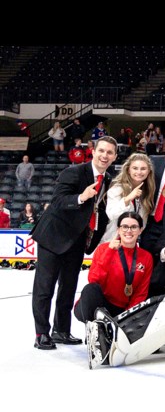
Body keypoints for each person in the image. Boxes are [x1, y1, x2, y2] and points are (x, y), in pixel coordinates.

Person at [31, 136, 118, 350]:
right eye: (102, 151)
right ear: (93, 151)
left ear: (115, 156)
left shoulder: (110, 180)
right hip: (53, 236)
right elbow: (59, 201)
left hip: (77, 239)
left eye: (110, 153)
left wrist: (94, 240)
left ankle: (61, 330)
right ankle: (41, 333)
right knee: (45, 288)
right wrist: (81, 196)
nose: (105, 156)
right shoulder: (74, 172)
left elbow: (102, 214)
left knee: (68, 288)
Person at [73, 212, 153, 324]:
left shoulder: (146, 257)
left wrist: (127, 316)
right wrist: (109, 252)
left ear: (140, 230)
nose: (129, 230)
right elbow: (94, 280)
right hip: (97, 305)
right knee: (90, 289)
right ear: (118, 230)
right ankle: (94, 329)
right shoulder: (104, 249)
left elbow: (141, 293)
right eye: (124, 227)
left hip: (122, 309)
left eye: (134, 227)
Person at [101, 153, 156, 246]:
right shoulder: (117, 188)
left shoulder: (148, 191)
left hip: (133, 243)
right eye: (135, 168)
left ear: (149, 172)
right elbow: (111, 214)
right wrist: (128, 198)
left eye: (143, 169)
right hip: (113, 241)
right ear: (128, 170)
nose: (139, 172)